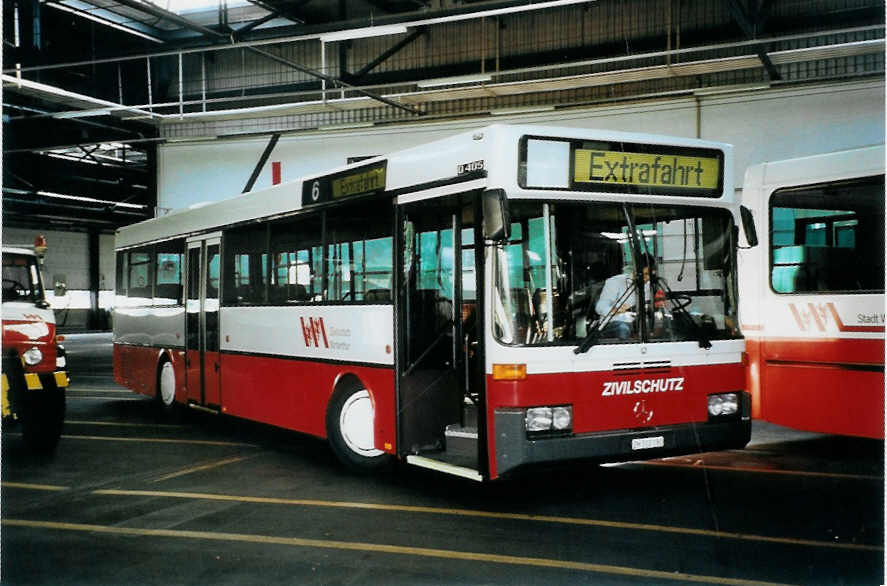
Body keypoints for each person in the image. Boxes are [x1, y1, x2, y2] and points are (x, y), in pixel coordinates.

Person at [594, 252, 654, 340]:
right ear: (636, 270)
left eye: (650, 275)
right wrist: (615, 310)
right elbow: (600, 307)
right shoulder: (615, 282)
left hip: (637, 323)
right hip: (614, 324)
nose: (647, 278)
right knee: (623, 329)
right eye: (645, 274)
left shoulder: (648, 286)